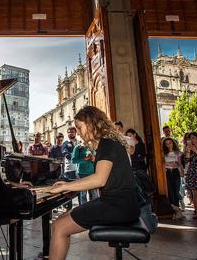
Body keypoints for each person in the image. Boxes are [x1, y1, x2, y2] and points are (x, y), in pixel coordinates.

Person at [43, 106, 140, 260]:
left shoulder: (107, 143)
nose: (79, 132)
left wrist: (65, 186)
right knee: (59, 222)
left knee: (60, 227)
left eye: (79, 127)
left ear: (91, 124)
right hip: (119, 203)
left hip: (119, 206)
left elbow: (99, 179)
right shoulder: (107, 143)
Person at [162, 137, 184, 219]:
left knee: (176, 190)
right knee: (170, 191)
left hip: (175, 172)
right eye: (166, 143)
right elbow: (162, 163)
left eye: (170, 143)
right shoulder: (163, 153)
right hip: (167, 172)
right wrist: (168, 163)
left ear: (173, 143)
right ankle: (174, 211)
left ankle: (177, 210)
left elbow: (179, 163)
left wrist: (182, 171)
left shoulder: (177, 152)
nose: (168, 145)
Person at [61, 127, 79, 210]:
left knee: (79, 189)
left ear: (75, 133)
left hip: (79, 170)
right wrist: (77, 156)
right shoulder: (65, 144)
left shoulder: (79, 142)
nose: (71, 133)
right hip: (69, 170)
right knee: (69, 190)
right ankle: (68, 208)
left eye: (72, 132)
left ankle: (80, 207)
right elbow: (66, 154)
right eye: (69, 132)